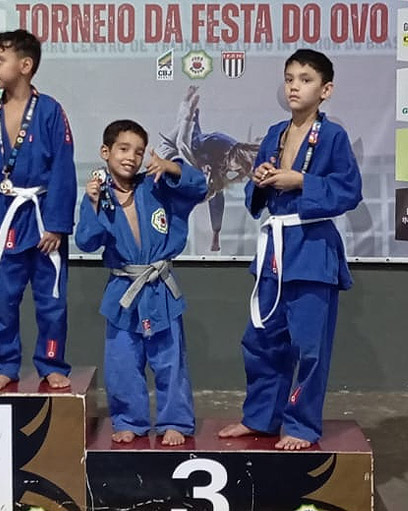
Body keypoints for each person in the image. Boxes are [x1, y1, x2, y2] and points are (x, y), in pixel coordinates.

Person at [218, 49, 363, 450]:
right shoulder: (274, 133)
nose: (294, 87)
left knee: (309, 347)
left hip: (312, 249)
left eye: (305, 79)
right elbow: (258, 191)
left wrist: (302, 181)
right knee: (261, 339)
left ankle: (301, 425)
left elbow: (350, 191)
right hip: (275, 252)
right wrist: (261, 179)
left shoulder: (332, 137)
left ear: (325, 90)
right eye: (289, 79)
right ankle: (262, 418)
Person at [76, 120, 207, 445]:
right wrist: (92, 204)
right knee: (122, 362)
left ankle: (175, 421)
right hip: (123, 290)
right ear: (105, 152)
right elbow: (86, 241)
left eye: (138, 151)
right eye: (123, 149)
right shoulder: (99, 195)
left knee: (170, 360)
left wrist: (172, 167)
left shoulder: (156, 185)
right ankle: (129, 420)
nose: (131, 157)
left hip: (161, 288)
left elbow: (199, 187)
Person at [0, 29, 77, 390]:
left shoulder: (50, 111)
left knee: (51, 300)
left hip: (42, 216)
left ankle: (52, 362)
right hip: (4, 218)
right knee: (2, 299)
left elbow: (63, 168)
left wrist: (57, 225)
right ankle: (4, 364)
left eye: (0, 60)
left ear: (25, 66)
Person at [158, 85, 259, 251]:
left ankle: (189, 110)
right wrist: (189, 116)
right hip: (197, 147)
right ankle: (188, 108)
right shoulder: (217, 146)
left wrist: (215, 234)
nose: (233, 171)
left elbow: (217, 199)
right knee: (186, 133)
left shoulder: (216, 172)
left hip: (198, 155)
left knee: (215, 187)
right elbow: (184, 142)